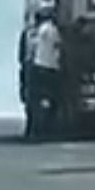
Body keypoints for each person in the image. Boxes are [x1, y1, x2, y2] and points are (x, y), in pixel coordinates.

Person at [25, 7, 63, 138]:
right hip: (51, 67)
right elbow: (59, 45)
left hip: (38, 67)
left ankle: (35, 128)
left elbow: (30, 51)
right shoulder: (52, 30)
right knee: (53, 98)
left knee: (36, 99)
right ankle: (49, 124)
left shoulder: (36, 32)